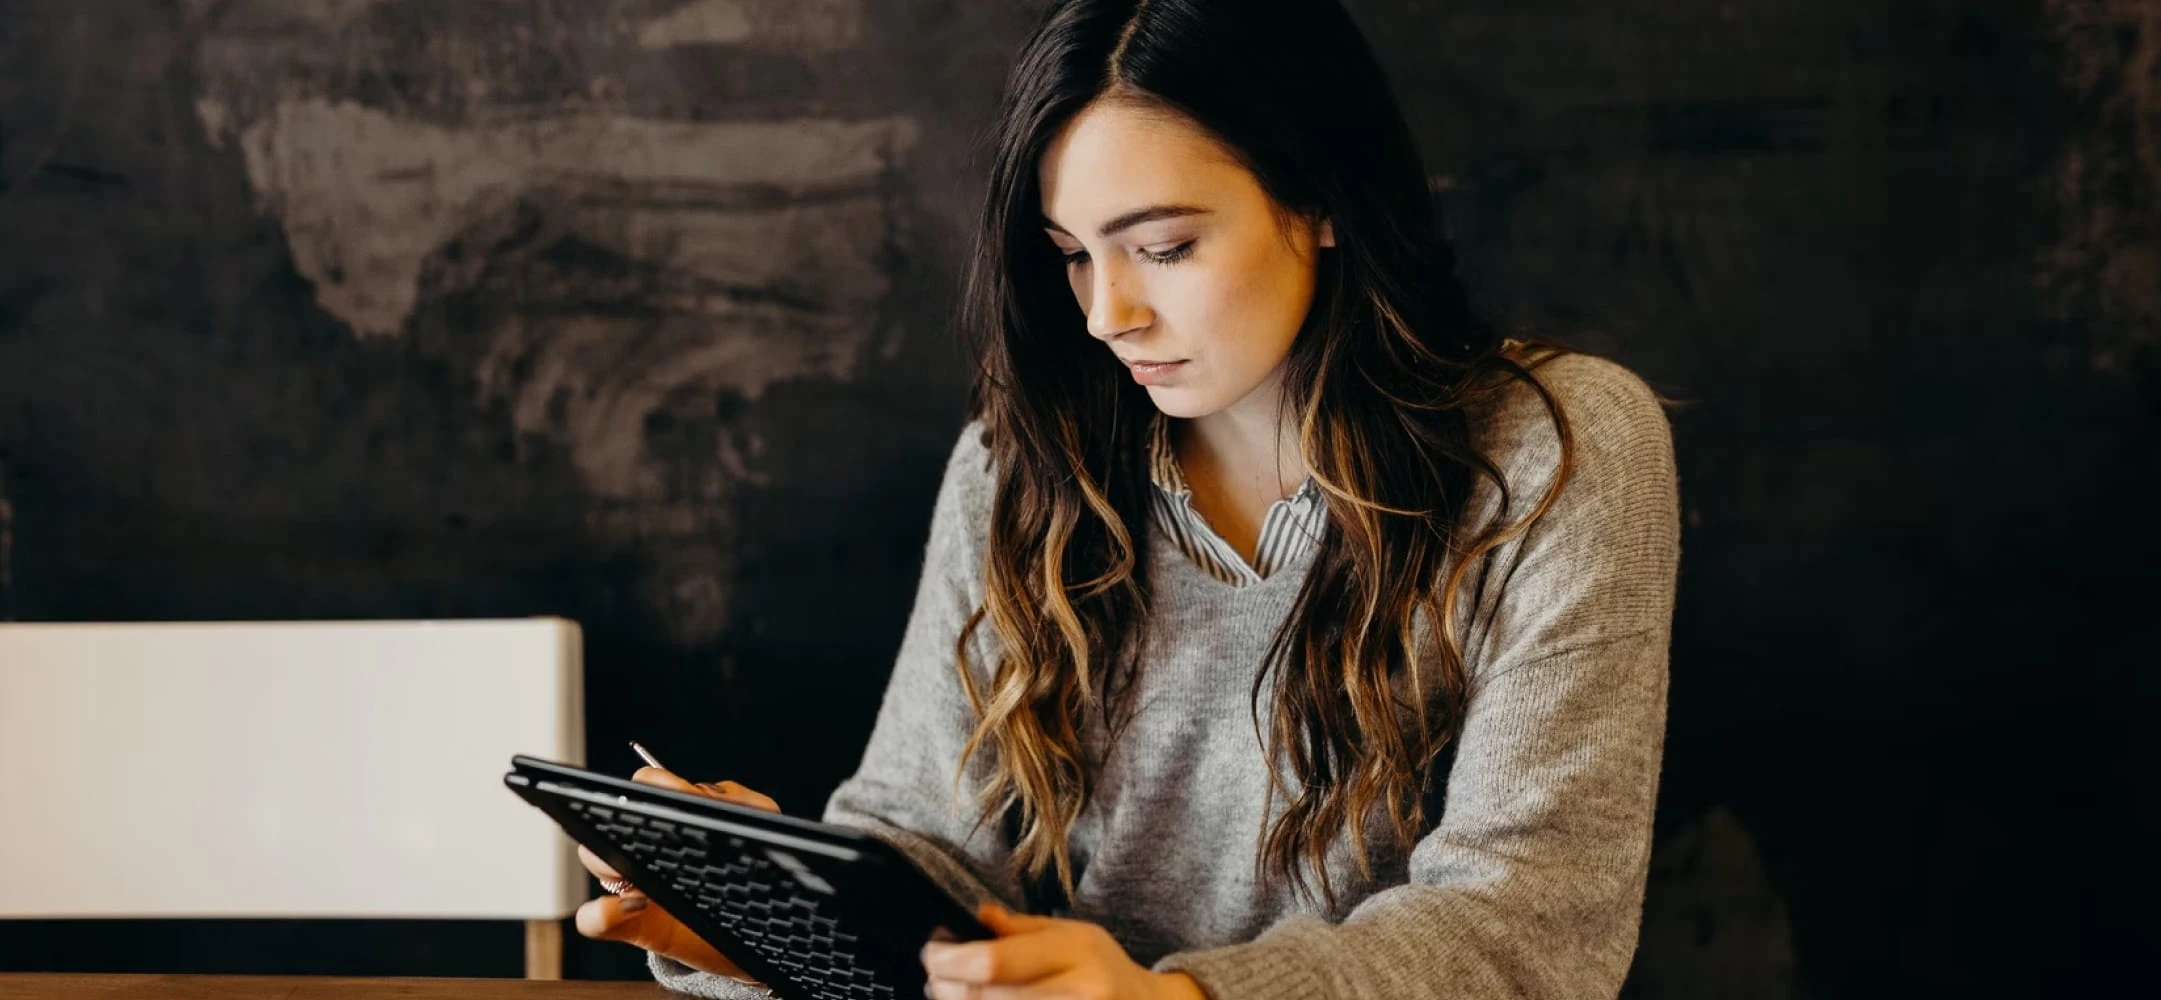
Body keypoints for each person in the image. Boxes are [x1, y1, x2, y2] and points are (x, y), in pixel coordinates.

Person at [576, 0, 1679, 997]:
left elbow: (1532, 923)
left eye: (1162, 247)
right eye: (1070, 257)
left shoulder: (1557, 450)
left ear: (1322, 202)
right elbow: (933, 853)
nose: (1108, 316)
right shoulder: (1018, 467)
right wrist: (763, 918)